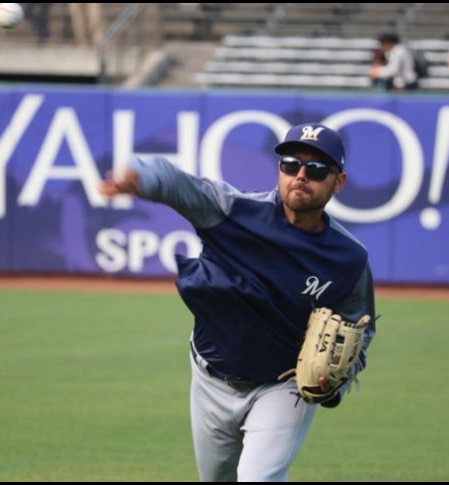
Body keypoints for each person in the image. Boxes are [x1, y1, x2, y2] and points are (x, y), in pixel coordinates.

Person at [98, 123, 377, 482]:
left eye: (317, 169)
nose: (301, 175)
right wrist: (140, 175)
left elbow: (360, 325)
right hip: (209, 376)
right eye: (291, 164)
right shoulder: (233, 211)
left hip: (283, 387)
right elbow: (180, 185)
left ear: (338, 182)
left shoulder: (349, 258)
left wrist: (338, 381)